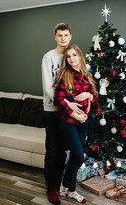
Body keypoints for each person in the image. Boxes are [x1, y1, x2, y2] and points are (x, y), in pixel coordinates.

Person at [42, 23, 85, 205]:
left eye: (66, 35)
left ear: (70, 36)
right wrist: (70, 104)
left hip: (70, 113)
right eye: (59, 35)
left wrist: (88, 98)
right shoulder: (48, 57)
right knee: (53, 151)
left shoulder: (72, 56)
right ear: (55, 37)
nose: (63, 38)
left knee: (67, 151)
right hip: (53, 110)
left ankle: (65, 186)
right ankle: (51, 188)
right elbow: (48, 89)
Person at [54, 44, 98, 203]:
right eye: (68, 56)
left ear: (79, 56)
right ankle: (65, 185)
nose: (72, 59)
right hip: (68, 122)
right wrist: (75, 115)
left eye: (74, 55)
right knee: (79, 155)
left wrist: (89, 95)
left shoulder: (86, 74)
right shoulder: (65, 75)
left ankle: (72, 190)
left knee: (76, 156)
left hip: (83, 123)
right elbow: (57, 100)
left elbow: (95, 96)